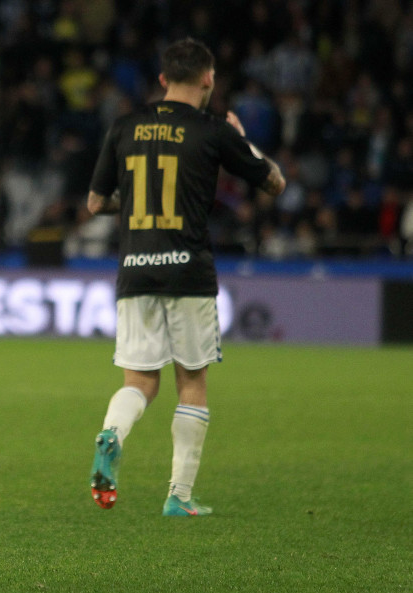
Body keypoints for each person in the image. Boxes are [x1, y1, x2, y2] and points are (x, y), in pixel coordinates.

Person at [86, 38, 285, 516]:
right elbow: (275, 183)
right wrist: (244, 137)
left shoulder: (125, 126)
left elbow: (95, 204)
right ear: (208, 80)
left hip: (135, 269)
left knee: (140, 381)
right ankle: (179, 495)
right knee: (191, 381)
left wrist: (133, 205)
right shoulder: (214, 130)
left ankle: (112, 433)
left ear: (161, 80)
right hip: (189, 272)